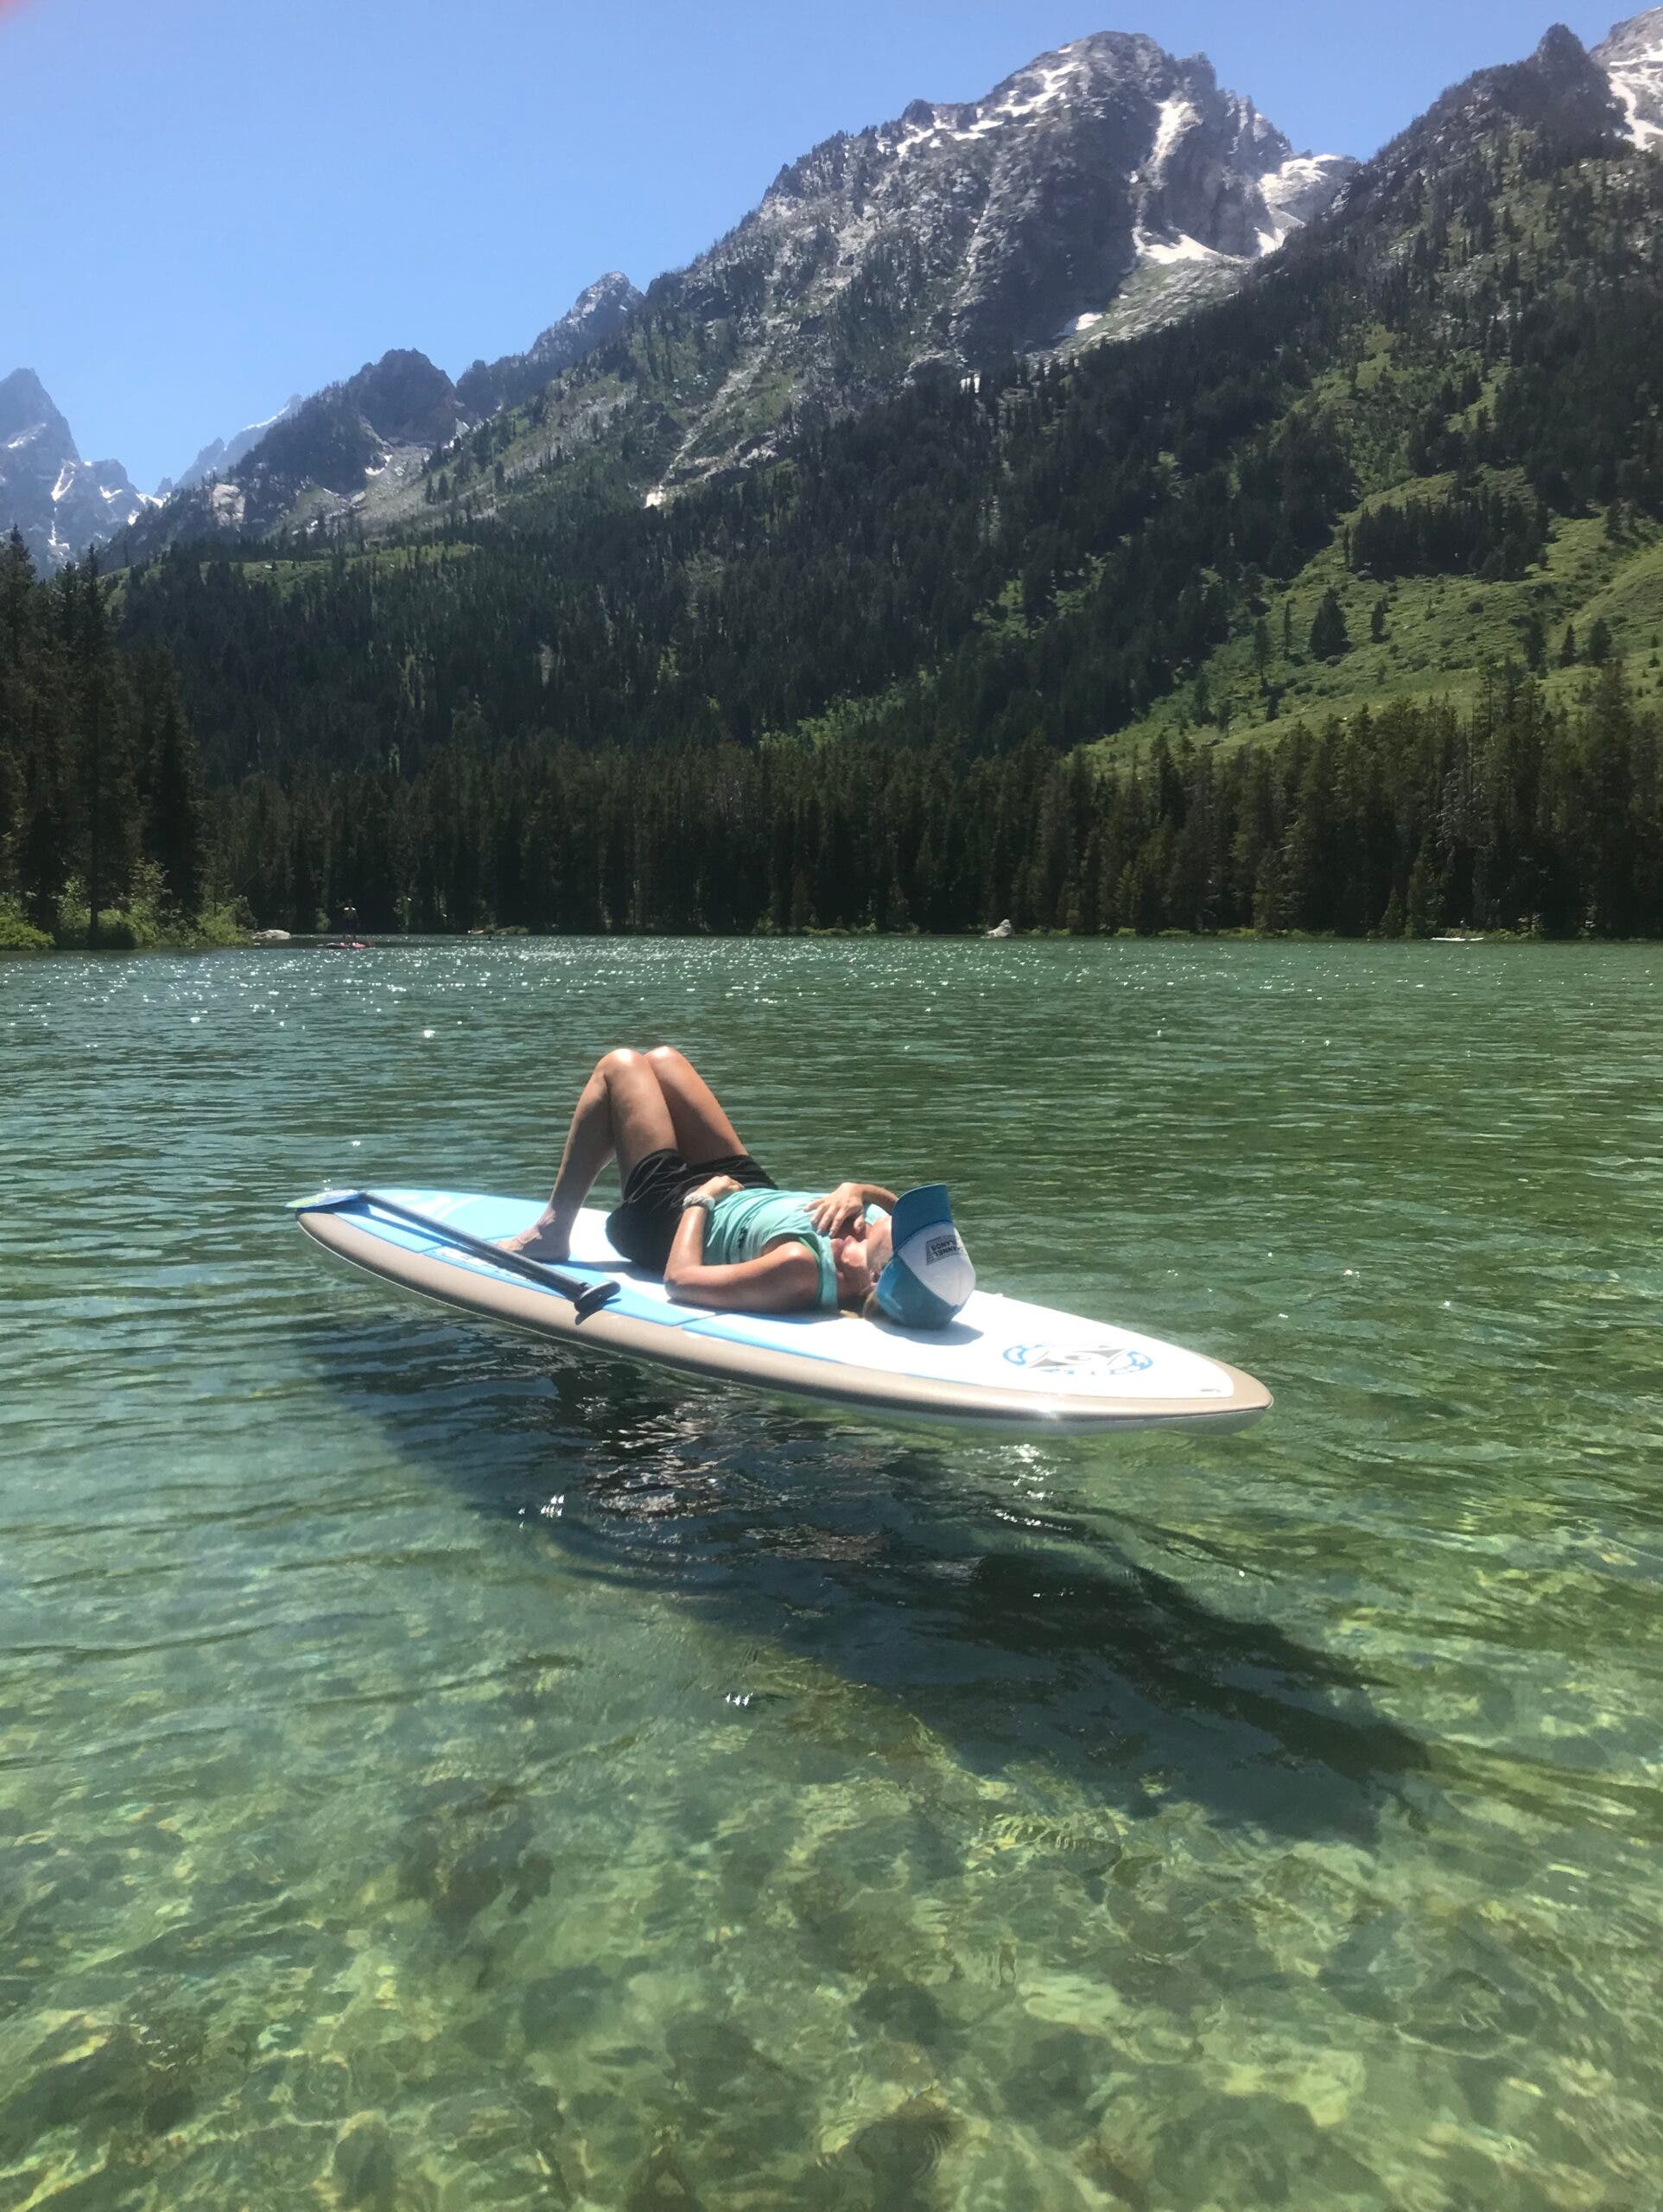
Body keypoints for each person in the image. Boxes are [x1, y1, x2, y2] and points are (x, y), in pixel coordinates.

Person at [499, 1046, 974, 1327]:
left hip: (674, 1219)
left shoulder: (799, 1269)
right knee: (665, 1061)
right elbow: (894, 1209)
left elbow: (680, 1281)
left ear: (874, 1278)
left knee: (620, 1065)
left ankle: (553, 1230)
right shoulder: (875, 1241)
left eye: (894, 1230)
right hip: (750, 1194)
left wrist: (701, 1200)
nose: (889, 1219)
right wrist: (861, 1190)